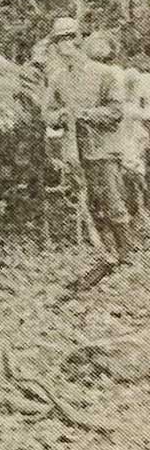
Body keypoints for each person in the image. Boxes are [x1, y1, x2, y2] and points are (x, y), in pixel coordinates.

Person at [44, 16, 133, 280]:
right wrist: (60, 116)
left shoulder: (105, 73)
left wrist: (84, 114)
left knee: (113, 201)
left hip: (104, 149)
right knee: (92, 205)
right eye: (59, 40)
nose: (64, 45)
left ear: (79, 39)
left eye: (69, 38)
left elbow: (116, 111)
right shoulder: (58, 78)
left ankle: (125, 255)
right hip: (75, 151)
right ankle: (107, 253)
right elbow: (47, 113)